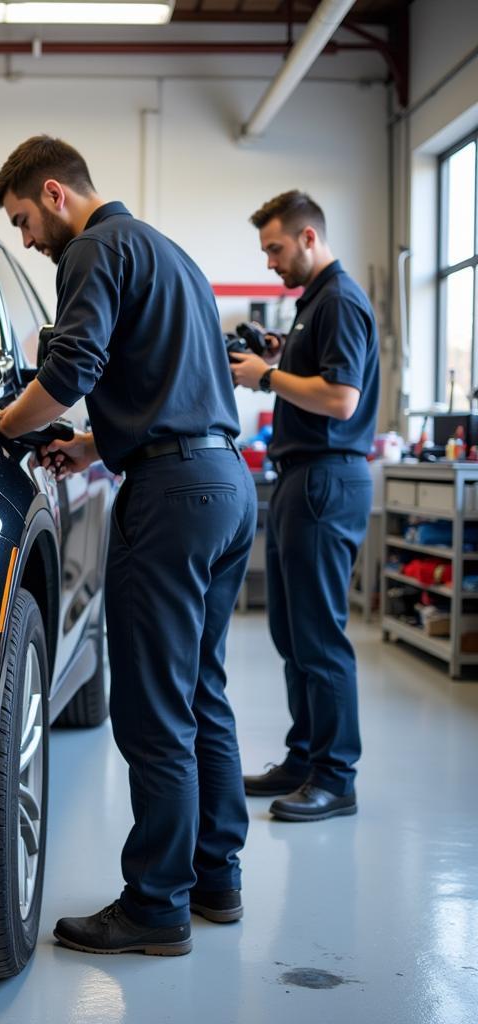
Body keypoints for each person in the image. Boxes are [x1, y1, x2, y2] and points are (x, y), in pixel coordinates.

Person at [0, 135, 256, 956]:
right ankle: (216, 880)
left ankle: (155, 906)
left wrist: (2, 426)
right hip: (225, 485)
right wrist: (95, 445)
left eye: (26, 219)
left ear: (57, 193)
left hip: (172, 501)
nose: (29, 239)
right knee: (200, 690)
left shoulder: (94, 250)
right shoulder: (167, 254)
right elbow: (177, 389)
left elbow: (70, 370)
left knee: (149, 707)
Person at [231, 190, 378, 822]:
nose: (270, 262)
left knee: (319, 637)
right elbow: (316, 374)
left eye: (276, 248)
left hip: (327, 478)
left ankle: (337, 776)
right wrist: (280, 356)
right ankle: (303, 758)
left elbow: (341, 399)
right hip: (300, 477)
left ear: (309, 237)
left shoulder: (340, 299)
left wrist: (265, 377)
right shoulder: (313, 303)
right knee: (291, 633)